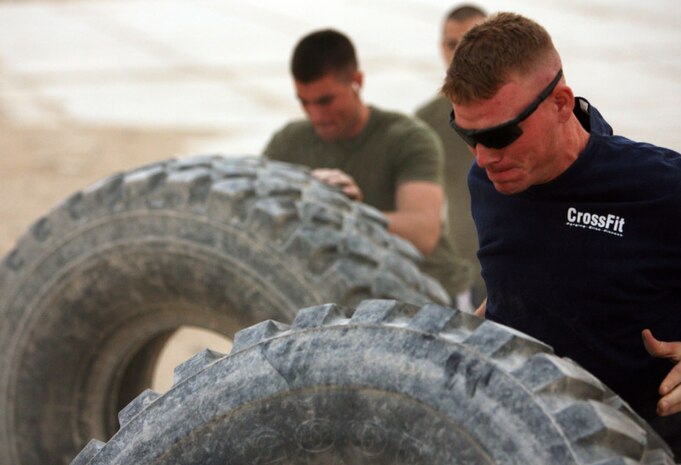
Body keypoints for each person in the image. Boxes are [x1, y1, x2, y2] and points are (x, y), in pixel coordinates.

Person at [441, 11, 681, 455]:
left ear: (561, 103)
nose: (483, 158)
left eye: (501, 134)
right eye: (467, 136)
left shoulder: (661, 187)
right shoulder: (489, 181)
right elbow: (530, 270)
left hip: (645, 446)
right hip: (523, 439)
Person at [263, 28, 472, 303]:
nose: (316, 114)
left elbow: (424, 232)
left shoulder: (407, 137)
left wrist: (348, 213)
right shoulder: (288, 142)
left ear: (357, 81)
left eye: (326, 100)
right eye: (305, 102)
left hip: (430, 293)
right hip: (349, 298)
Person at [416, 5, 487, 310]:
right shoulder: (426, 121)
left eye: (471, 42)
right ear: (440, 49)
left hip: (519, 266)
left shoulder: (526, 109)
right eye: (451, 44)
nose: (460, 54)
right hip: (459, 279)